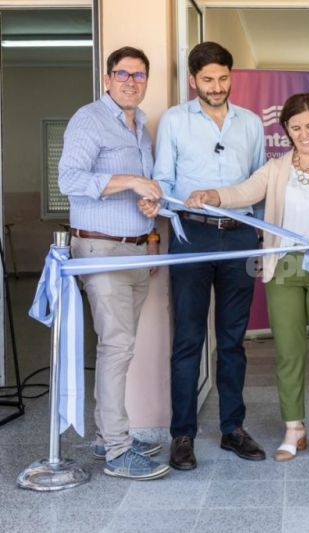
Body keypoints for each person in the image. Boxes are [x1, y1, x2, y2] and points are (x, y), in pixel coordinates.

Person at [184, 93, 309, 463]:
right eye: (295, 127)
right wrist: (214, 196)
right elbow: (245, 192)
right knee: (287, 351)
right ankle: (294, 429)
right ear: (286, 130)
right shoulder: (277, 168)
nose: (303, 134)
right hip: (284, 267)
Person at [146, 41, 266, 470]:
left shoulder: (250, 124)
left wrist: (264, 241)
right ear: (193, 81)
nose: (216, 87)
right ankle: (183, 435)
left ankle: (232, 428)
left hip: (239, 239)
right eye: (207, 80)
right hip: (191, 238)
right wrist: (181, 203)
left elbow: (259, 184)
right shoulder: (175, 122)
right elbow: (161, 179)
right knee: (188, 340)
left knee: (232, 341)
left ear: (230, 78)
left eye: (222, 78)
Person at [59, 46, 168, 480]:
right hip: (100, 250)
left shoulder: (141, 127)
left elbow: (144, 196)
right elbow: (69, 180)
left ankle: (110, 433)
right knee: (117, 346)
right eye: (122, 74)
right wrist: (130, 181)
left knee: (121, 347)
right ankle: (118, 452)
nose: (131, 82)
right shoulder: (89, 118)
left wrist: (152, 231)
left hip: (138, 248)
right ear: (107, 78)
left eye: (139, 76)